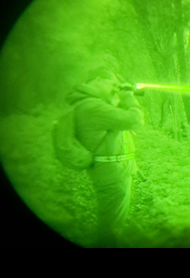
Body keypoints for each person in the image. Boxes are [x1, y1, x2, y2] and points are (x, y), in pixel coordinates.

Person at [66, 67, 144, 247]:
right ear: (97, 81)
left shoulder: (93, 104)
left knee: (115, 221)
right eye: (113, 83)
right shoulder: (91, 107)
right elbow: (135, 120)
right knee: (110, 230)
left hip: (113, 171)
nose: (115, 88)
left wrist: (125, 94)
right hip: (112, 175)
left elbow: (116, 127)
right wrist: (127, 95)